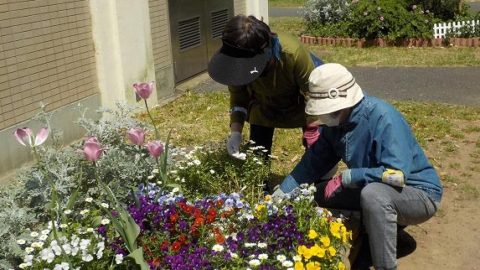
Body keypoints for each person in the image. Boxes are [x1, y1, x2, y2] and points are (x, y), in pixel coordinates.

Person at [273, 63, 443, 270]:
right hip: (374, 187)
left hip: (418, 194)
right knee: (313, 194)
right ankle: (372, 233)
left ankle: (385, 265)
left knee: (374, 195)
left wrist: (351, 176)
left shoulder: (382, 116)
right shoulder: (335, 126)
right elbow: (311, 163)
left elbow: (397, 176)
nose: (323, 116)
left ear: (343, 103)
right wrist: (282, 193)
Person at [208, 15, 324, 160]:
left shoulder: (292, 53)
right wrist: (235, 133)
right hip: (263, 103)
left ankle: (319, 175)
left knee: (319, 148)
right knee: (258, 153)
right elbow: (238, 96)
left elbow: (314, 94)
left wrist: (313, 130)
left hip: (299, 101)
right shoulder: (236, 61)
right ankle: (260, 177)